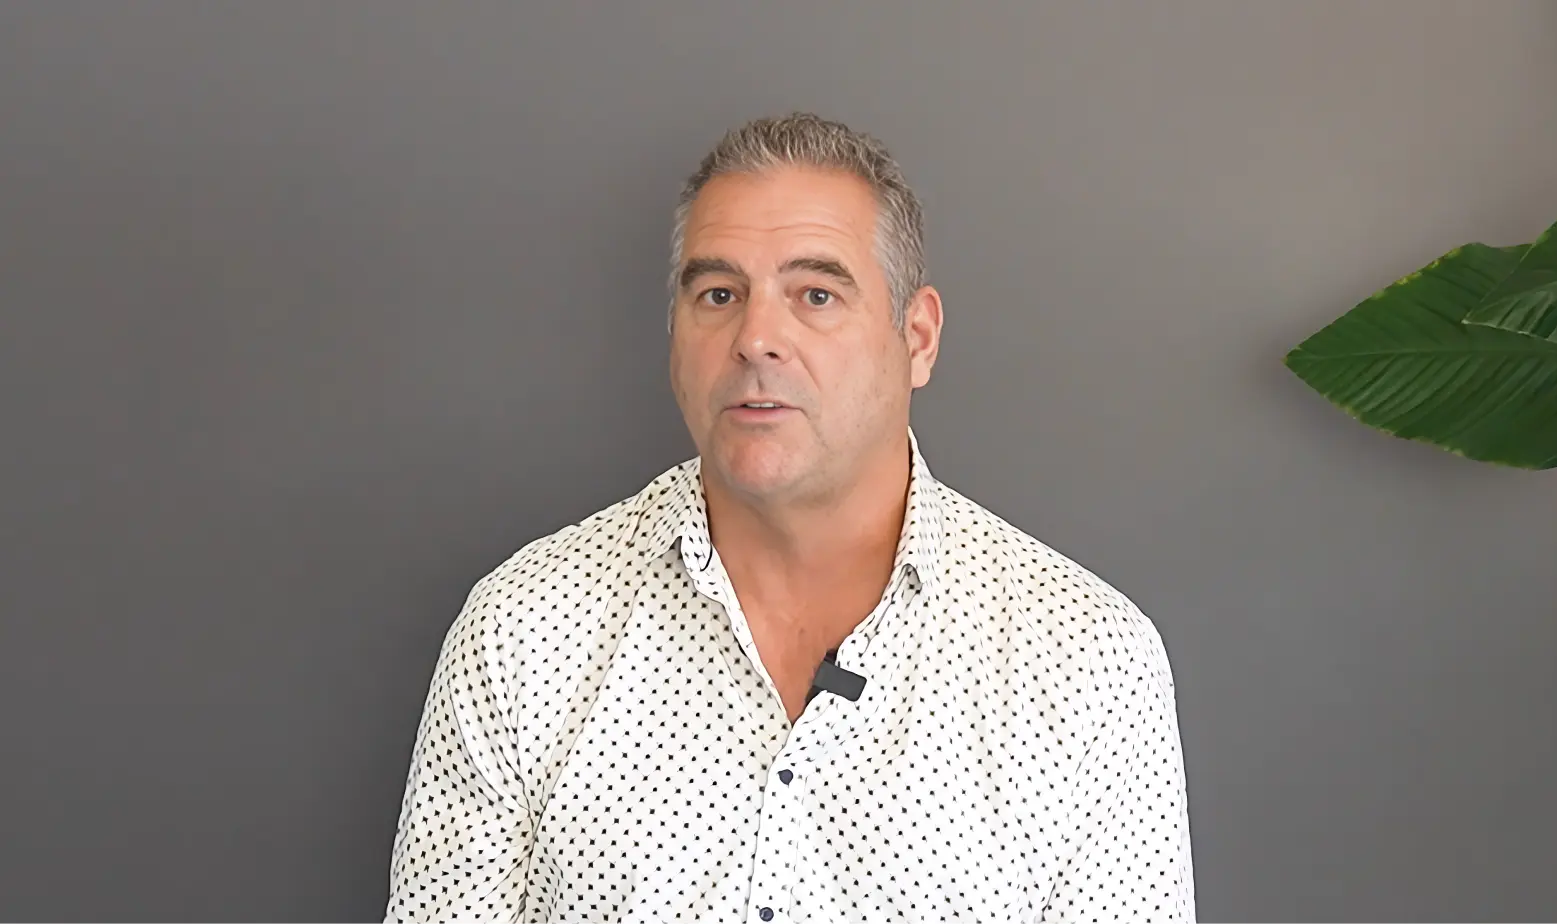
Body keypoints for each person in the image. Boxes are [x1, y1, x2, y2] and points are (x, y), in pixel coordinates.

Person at [382, 112, 1196, 923]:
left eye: (816, 295)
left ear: (917, 338)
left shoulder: (1088, 662)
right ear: (675, 335)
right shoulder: (525, 630)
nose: (756, 338)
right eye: (719, 294)